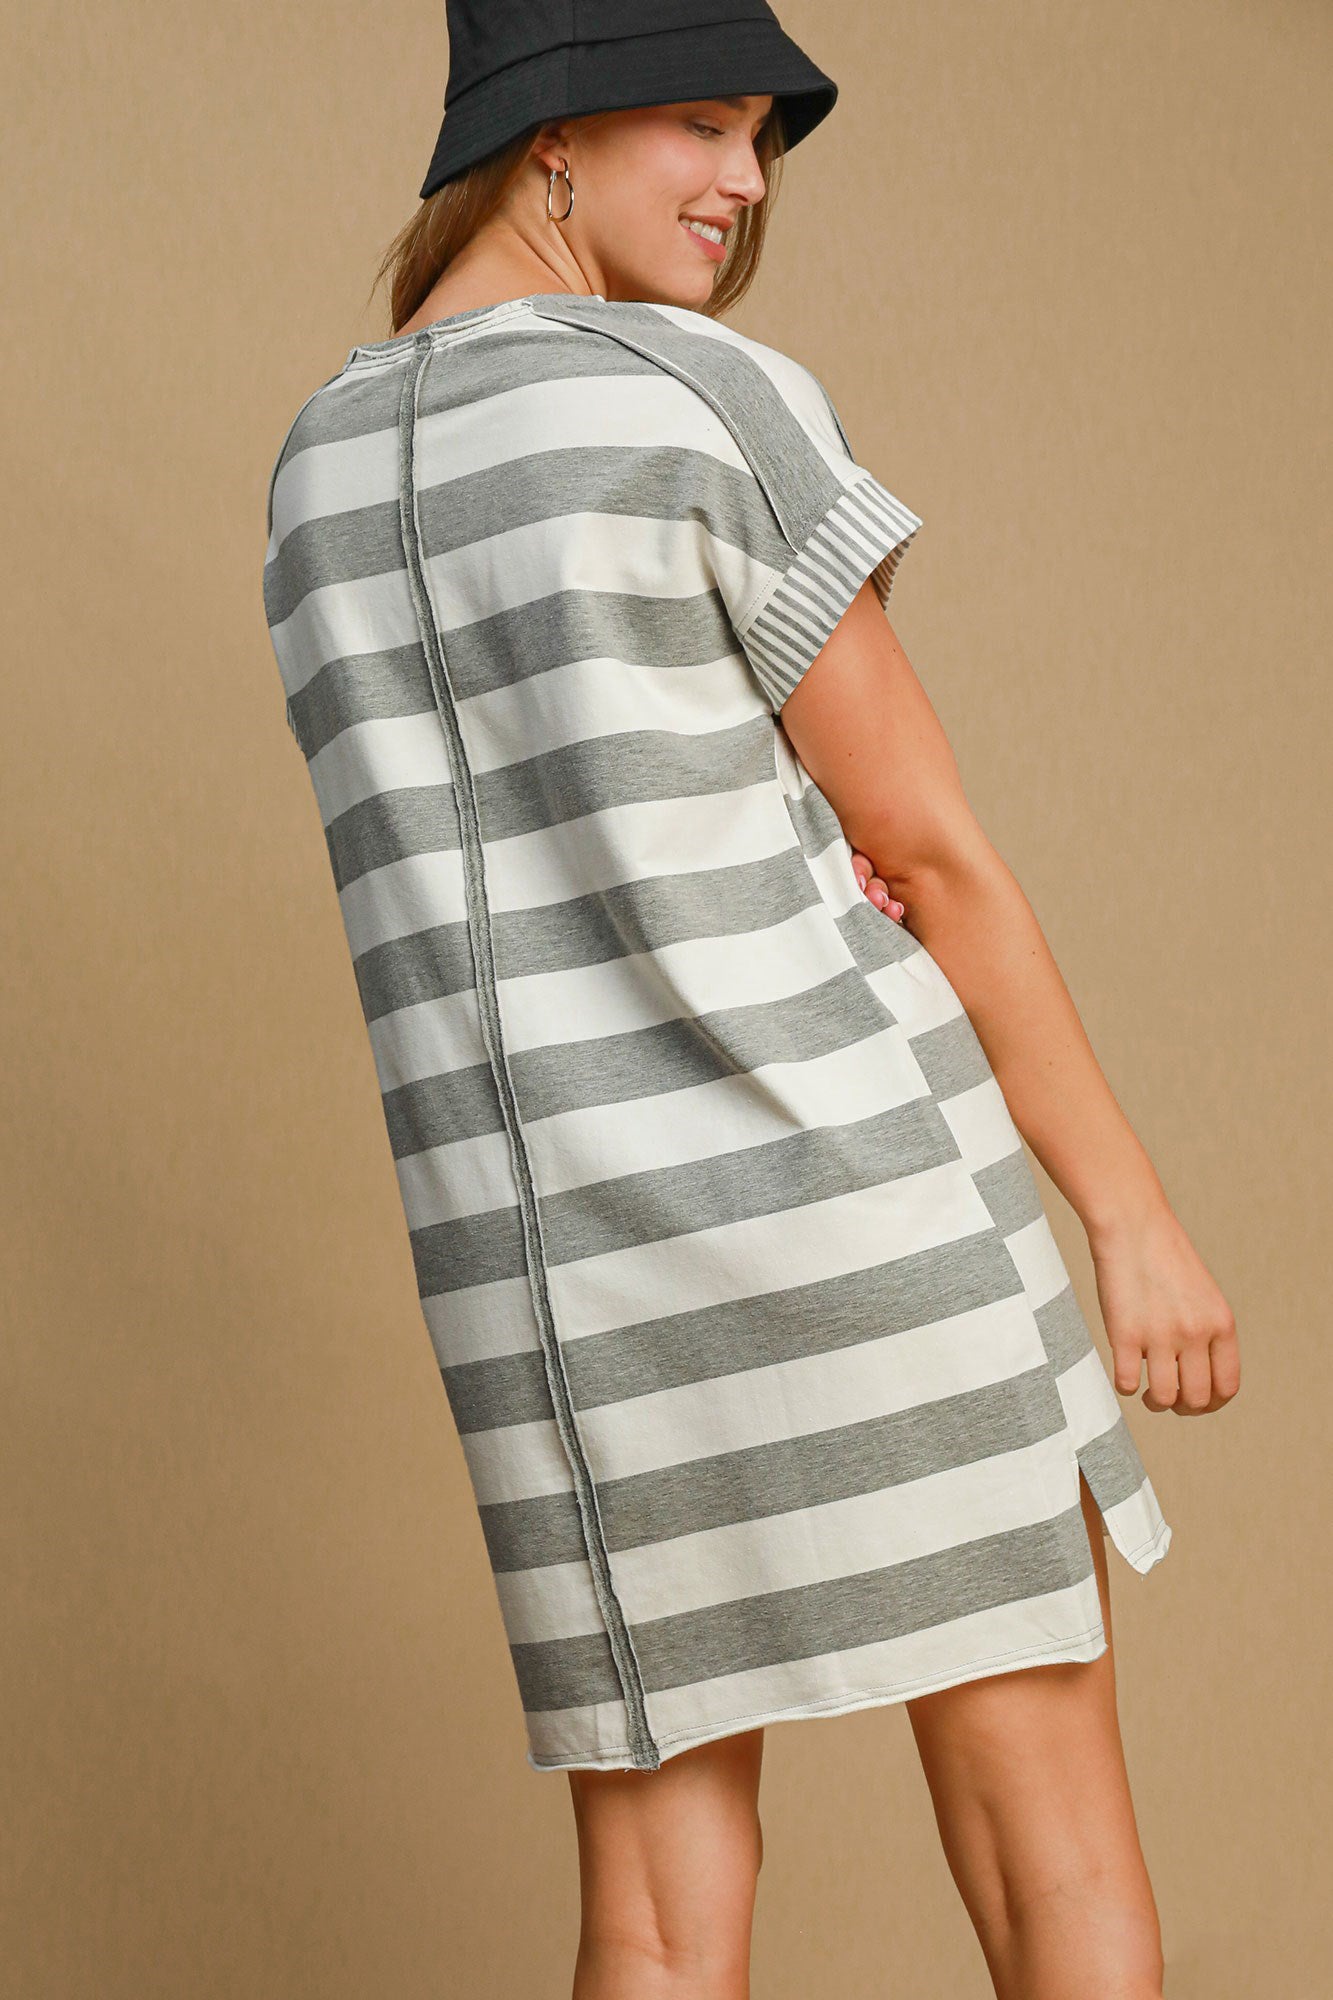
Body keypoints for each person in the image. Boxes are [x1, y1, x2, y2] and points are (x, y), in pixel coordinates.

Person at [260, 5, 1240, 1994]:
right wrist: (1130, 1215)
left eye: (758, 135)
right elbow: (929, 854)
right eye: (699, 122)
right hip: (860, 1209)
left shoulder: (315, 471)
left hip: (560, 1300)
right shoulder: (702, 394)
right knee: (1048, 1860)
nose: (743, 179)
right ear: (547, 135)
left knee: (650, 1925)